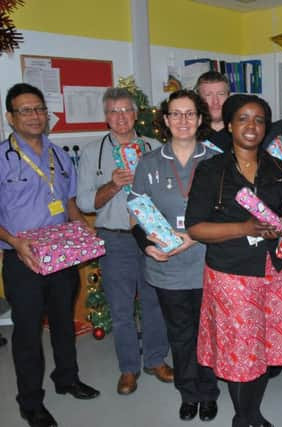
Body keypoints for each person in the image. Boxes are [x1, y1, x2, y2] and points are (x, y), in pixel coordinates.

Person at [186, 94, 282, 427]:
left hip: (275, 270)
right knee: (241, 352)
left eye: (259, 120)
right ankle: (246, 416)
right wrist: (245, 227)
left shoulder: (279, 168)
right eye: (243, 118)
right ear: (230, 124)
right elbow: (196, 227)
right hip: (232, 274)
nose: (251, 126)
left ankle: (250, 412)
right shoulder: (212, 170)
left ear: (266, 127)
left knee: (263, 347)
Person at [0, 83, 99, 427]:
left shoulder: (57, 155)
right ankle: (30, 402)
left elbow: (69, 200)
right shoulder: (1, 157)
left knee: (62, 321)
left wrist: (80, 226)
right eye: (25, 110)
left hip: (61, 255)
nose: (34, 116)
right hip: (23, 258)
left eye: (39, 108)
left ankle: (67, 378)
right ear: (10, 117)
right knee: (27, 332)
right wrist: (14, 241)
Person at [130, 90, 220, 422]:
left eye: (189, 114)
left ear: (199, 119)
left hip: (208, 264)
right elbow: (136, 214)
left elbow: (225, 214)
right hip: (167, 269)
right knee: (180, 334)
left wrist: (193, 238)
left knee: (207, 333)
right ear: (165, 121)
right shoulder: (149, 162)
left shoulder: (216, 159)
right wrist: (146, 245)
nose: (182, 120)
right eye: (175, 114)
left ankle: (209, 393)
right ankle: (188, 392)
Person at [76, 88, 172, 395]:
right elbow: (86, 203)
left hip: (151, 237)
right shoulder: (93, 152)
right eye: (113, 112)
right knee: (120, 309)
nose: (120, 117)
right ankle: (128, 368)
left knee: (154, 303)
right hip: (115, 239)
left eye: (126, 111)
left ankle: (156, 359)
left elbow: (169, 195)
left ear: (136, 114)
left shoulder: (155, 147)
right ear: (106, 118)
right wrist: (113, 185)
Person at [195, 71, 232, 152]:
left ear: (229, 97)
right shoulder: (190, 134)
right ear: (199, 99)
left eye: (221, 94)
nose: (215, 101)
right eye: (208, 95)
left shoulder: (242, 132)